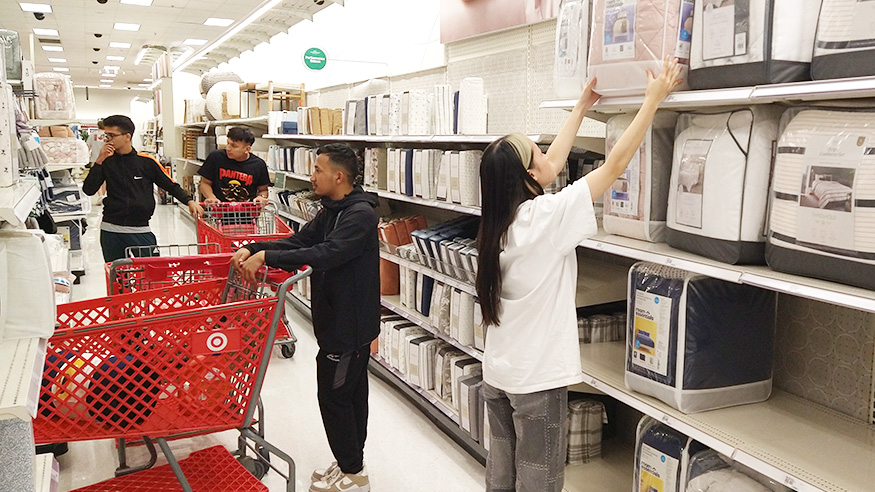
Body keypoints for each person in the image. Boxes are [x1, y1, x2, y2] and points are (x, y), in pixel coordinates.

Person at [475, 56, 682, 492]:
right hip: (536, 381)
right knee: (540, 482)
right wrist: (653, 100)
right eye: (537, 153)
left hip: (498, 376)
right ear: (530, 176)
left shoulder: (497, 224)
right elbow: (615, 167)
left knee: (501, 477)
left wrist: (581, 107)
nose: (547, 157)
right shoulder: (545, 218)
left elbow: (550, 161)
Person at [231, 143, 379, 492]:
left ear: (338, 176)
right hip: (337, 320)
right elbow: (301, 241)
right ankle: (350, 462)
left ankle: (354, 474)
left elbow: (328, 253)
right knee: (351, 394)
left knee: (335, 397)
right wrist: (255, 248)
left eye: (317, 169)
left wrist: (266, 257)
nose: (311, 175)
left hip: (349, 325)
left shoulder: (359, 215)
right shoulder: (334, 209)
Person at [83, 114, 204, 262]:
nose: (108, 139)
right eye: (106, 135)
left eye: (112, 135)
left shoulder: (147, 162)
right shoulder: (106, 162)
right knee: (118, 280)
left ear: (127, 136)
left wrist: (189, 201)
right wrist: (99, 161)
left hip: (141, 230)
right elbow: (88, 189)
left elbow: (169, 185)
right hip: (111, 230)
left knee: (151, 276)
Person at [198, 126, 272, 203]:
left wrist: (261, 197)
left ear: (247, 149)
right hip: (218, 210)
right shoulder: (216, 157)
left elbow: (263, 190)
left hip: (246, 212)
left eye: (234, 146)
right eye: (228, 143)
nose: (228, 148)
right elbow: (205, 183)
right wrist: (211, 197)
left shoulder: (259, 165)